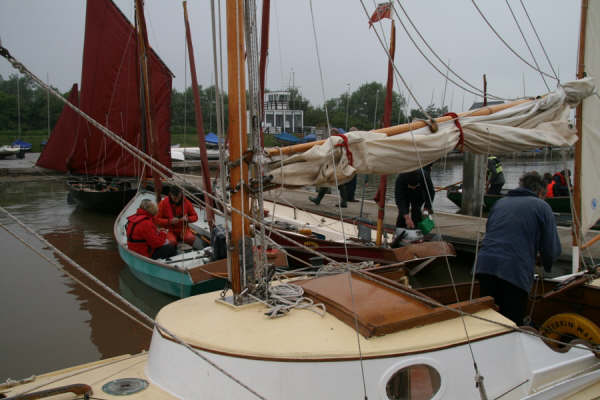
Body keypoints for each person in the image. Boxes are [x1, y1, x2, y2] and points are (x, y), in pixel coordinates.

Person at [475, 171, 561, 326]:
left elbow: (490, 231)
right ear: (540, 193)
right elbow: (551, 248)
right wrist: (546, 263)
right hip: (514, 271)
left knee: (488, 320)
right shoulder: (542, 206)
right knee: (511, 322)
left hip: (485, 267)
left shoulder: (500, 203)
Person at [394, 164, 434, 229]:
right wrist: (406, 217)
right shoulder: (400, 179)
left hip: (419, 192)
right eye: (411, 187)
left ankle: (416, 229)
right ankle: (400, 230)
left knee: (416, 211)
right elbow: (399, 199)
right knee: (402, 214)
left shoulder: (425, 176)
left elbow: (431, 192)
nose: (413, 188)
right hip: (405, 193)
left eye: (415, 186)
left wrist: (426, 208)